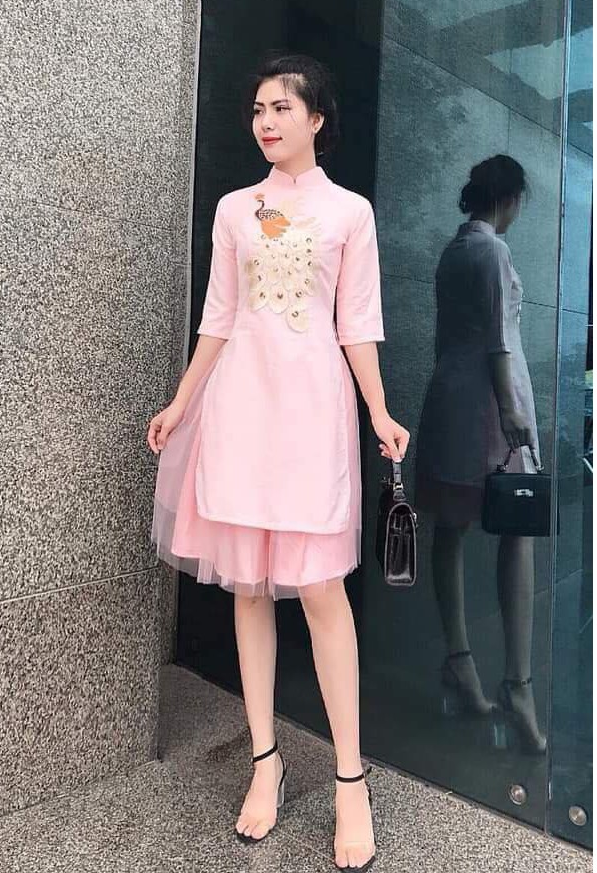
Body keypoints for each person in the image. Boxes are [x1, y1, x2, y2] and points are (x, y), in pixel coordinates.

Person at [147, 52, 409, 870]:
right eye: (258, 109)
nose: (265, 121)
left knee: (322, 590)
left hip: (312, 413)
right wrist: (182, 401)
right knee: (250, 589)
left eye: (281, 108)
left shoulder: (350, 213)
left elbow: (356, 322)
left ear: (316, 119)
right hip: (240, 408)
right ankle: (265, 761)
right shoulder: (234, 209)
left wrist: (378, 409)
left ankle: (349, 780)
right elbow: (219, 315)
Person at [415, 154, 546, 754]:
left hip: (451, 400)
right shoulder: (492, 251)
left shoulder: (453, 251)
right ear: (510, 198)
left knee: (451, 529)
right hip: (492, 405)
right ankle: (517, 684)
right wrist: (513, 411)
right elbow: (499, 339)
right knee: (517, 530)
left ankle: (460, 663)